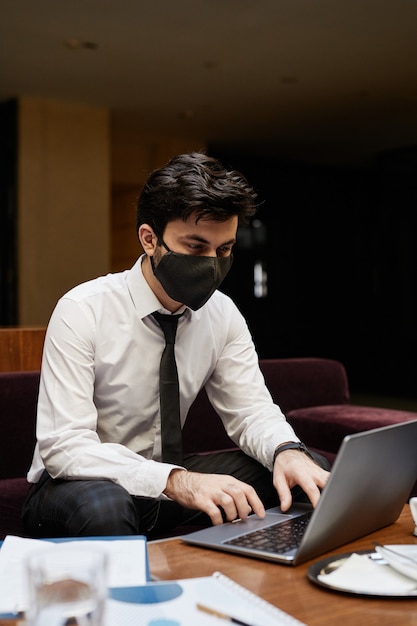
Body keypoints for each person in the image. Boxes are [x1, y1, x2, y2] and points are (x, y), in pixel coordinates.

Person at [22, 152, 330, 539]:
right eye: (196, 247)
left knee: (302, 469)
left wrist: (287, 449)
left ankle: (270, 574)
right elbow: (65, 447)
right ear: (150, 239)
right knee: (107, 506)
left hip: (166, 478)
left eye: (224, 250)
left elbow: (250, 411)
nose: (212, 265)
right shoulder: (82, 309)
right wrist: (179, 482)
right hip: (77, 485)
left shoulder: (223, 314)